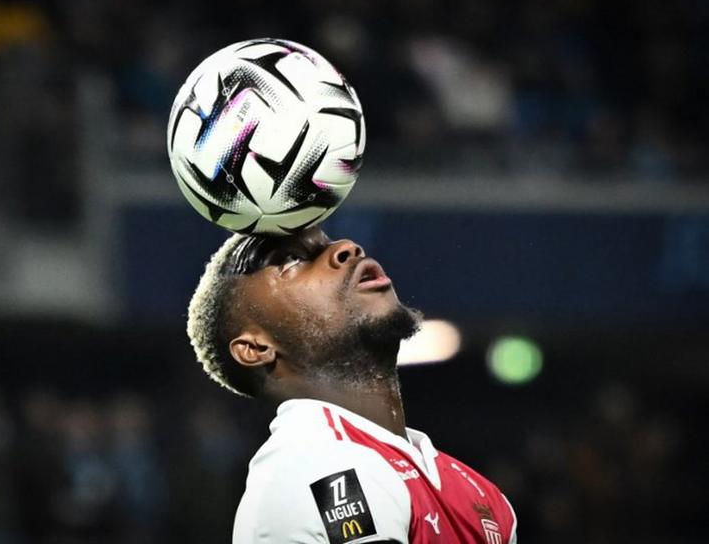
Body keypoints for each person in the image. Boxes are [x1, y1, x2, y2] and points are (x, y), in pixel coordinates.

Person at [187, 226, 517, 543]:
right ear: (257, 348)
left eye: (330, 242)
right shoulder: (311, 464)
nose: (346, 247)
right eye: (291, 261)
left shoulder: (482, 494)